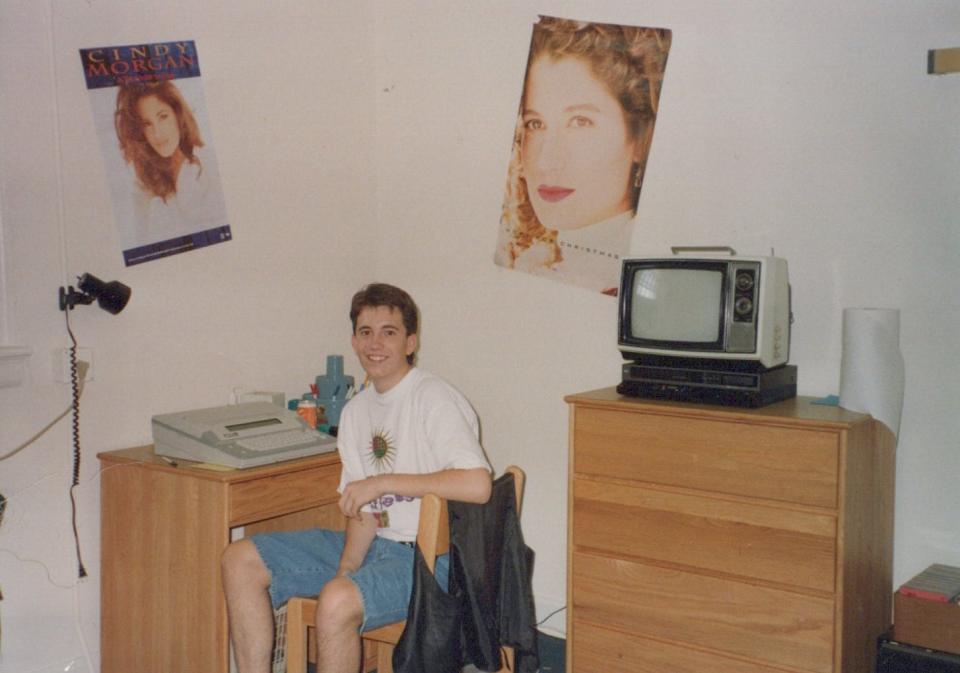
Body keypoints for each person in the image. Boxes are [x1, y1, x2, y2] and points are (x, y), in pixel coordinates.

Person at [221, 283, 493, 673]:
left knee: (336, 601)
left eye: (389, 332)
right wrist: (348, 569)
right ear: (353, 340)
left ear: (411, 342)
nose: (375, 344)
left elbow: (478, 485)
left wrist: (384, 482)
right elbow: (364, 513)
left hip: (432, 560)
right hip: (378, 546)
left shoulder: (432, 397)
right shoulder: (355, 411)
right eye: (366, 332)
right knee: (240, 558)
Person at [496, 17, 671, 293]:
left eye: (580, 122)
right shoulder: (532, 265)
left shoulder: (636, 280)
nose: (546, 161)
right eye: (535, 124)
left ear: (640, 139)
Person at [114, 80, 227, 245]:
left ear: (177, 115)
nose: (157, 134)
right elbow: (140, 238)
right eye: (147, 124)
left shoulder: (208, 163)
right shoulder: (142, 177)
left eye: (163, 117)